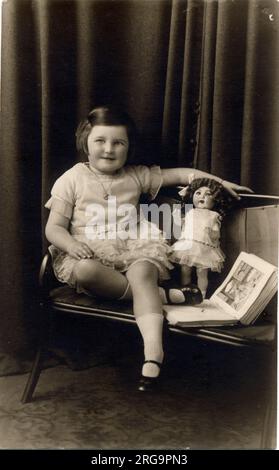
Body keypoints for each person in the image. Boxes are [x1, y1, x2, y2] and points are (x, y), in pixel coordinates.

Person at [45, 106, 251, 391]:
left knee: (142, 274)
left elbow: (181, 175)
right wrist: (71, 244)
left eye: (119, 143)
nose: (109, 149)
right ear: (86, 143)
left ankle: (153, 353)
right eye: (100, 141)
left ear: (128, 148)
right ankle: (164, 296)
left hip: (135, 244)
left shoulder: (136, 175)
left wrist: (218, 183)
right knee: (84, 271)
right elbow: (54, 228)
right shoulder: (72, 179)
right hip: (90, 249)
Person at [170, 178, 230, 299]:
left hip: (204, 248)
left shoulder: (214, 215)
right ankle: (185, 292)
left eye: (208, 194)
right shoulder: (189, 212)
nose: (202, 196)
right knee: (185, 270)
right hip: (187, 245)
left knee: (202, 273)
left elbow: (216, 233)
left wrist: (213, 232)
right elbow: (183, 227)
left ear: (215, 199)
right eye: (198, 193)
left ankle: (202, 296)